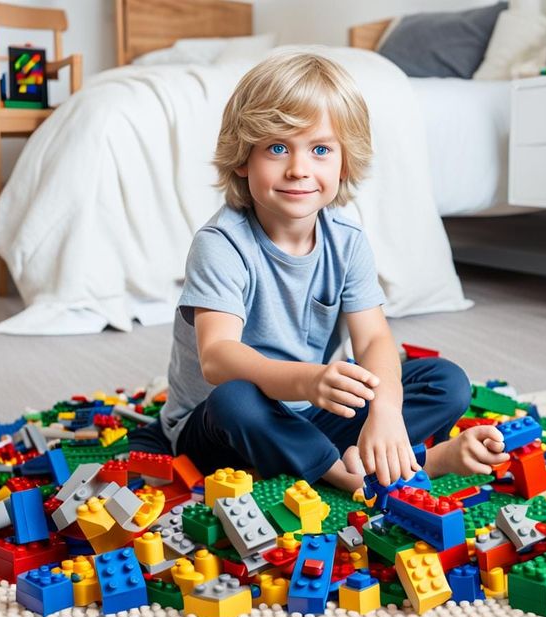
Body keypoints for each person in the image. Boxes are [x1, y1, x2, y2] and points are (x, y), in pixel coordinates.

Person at [155, 51, 507, 490]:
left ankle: (334, 455)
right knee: (236, 399)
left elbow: (375, 337)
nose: (299, 168)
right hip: (220, 427)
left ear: (344, 164)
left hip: (307, 410)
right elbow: (218, 358)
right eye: (277, 147)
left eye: (320, 149)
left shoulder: (346, 239)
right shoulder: (222, 243)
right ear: (243, 158)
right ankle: (377, 472)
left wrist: (385, 411)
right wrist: (311, 380)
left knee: (446, 382)